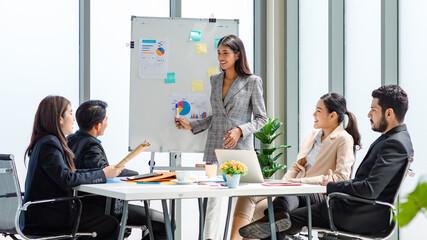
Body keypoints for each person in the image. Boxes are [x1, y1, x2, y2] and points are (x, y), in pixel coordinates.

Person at [241, 85, 414, 240]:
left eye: (373, 110)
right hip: (357, 207)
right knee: (282, 216)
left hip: (360, 214)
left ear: (389, 113)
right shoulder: (393, 139)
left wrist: (332, 186)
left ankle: (274, 221)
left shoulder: (394, 143)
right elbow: (366, 184)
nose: (369, 115)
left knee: (279, 224)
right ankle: (276, 217)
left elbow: (369, 189)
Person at [175, 35, 268, 240]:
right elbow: (217, 115)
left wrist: (240, 130)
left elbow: (262, 119)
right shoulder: (215, 80)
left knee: (241, 202)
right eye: (218, 53)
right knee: (212, 201)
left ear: (237, 54)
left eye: (225, 53)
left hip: (240, 151)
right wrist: (192, 125)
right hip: (214, 147)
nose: (220, 57)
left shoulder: (252, 82)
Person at [234, 93, 360, 240]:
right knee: (248, 196)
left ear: (332, 116)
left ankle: (277, 218)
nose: (314, 114)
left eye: (318, 111)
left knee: (267, 212)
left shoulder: (344, 138)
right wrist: (285, 184)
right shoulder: (313, 135)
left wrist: (300, 183)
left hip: (317, 194)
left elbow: (341, 177)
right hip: (294, 190)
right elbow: (296, 166)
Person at [21, 95, 123, 239]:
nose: (73, 118)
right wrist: (102, 174)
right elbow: (67, 178)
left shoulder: (44, 141)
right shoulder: (49, 143)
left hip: (41, 215)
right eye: (70, 113)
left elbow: (68, 173)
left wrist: (101, 172)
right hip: (48, 219)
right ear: (59, 118)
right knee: (110, 224)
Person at [67, 99, 167, 240]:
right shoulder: (91, 145)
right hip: (101, 207)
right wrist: (137, 176)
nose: (107, 123)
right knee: (164, 222)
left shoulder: (71, 139)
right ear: (97, 125)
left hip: (81, 206)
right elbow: (103, 171)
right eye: (106, 119)